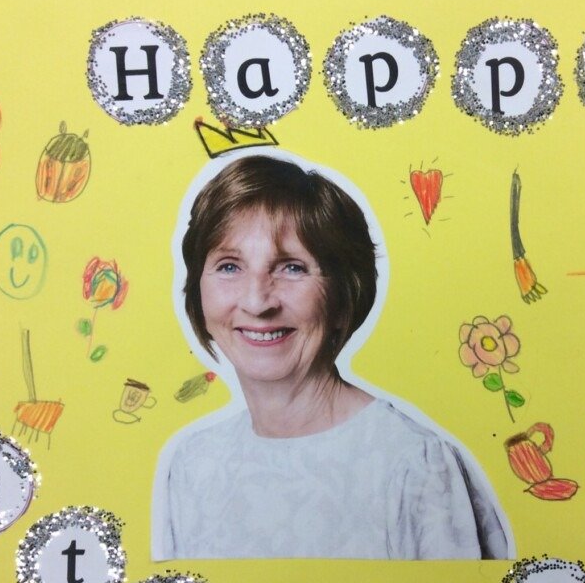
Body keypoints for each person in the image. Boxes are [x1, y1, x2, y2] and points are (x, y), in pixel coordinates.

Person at [151, 152, 513, 560]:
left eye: (292, 267)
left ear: (343, 297)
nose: (257, 302)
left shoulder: (415, 464)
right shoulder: (194, 464)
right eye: (230, 267)